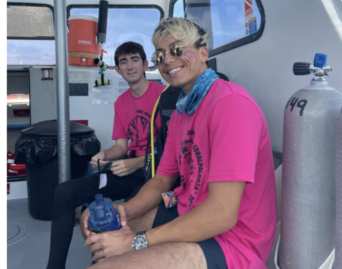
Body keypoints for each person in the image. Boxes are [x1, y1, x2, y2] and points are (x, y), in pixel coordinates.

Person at [85, 18, 276, 269]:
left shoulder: (231, 105)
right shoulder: (179, 116)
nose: (167, 60)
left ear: (203, 52)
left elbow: (221, 213)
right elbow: (162, 181)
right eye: (160, 55)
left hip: (233, 242)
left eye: (176, 49)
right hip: (185, 208)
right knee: (90, 220)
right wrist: (128, 211)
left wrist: (136, 242)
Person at [46, 42, 164, 269]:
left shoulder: (165, 96)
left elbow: (174, 151)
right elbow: (121, 146)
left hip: (156, 175)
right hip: (127, 171)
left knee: (120, 213)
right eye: (123, 62)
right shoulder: (121, 103)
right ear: (117, 70)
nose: (130, 66)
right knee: (63, 192)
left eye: (135, 59)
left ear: (145, 64)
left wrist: (139, 162)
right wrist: (105, 155)